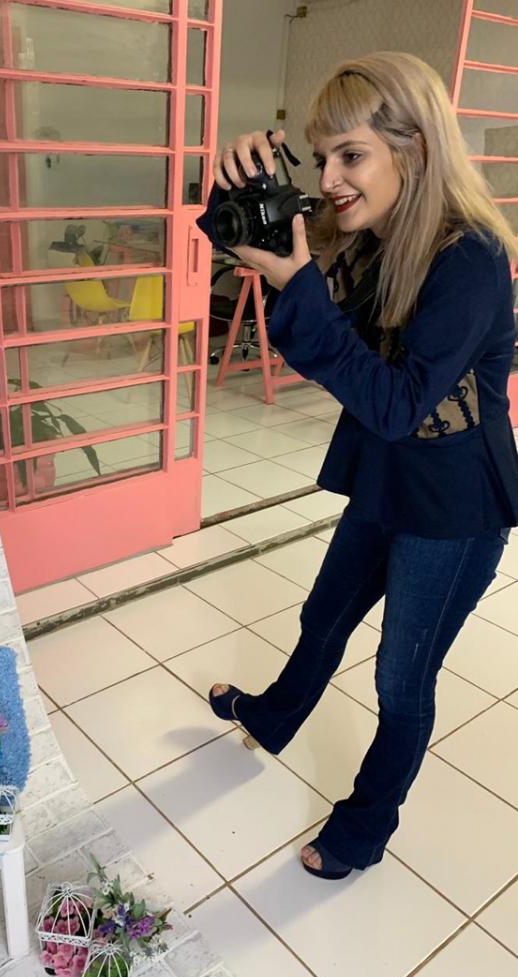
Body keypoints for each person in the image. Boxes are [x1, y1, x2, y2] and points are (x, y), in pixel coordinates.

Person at [200, 51, 518, 880]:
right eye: (321, 157)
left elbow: (395, 402)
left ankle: (365, 827)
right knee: (324, 615)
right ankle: (272, 718)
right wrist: (246, 191)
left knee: (400, 680)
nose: (331, 179)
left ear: (414, 148)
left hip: (454, 506)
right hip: (388, 478)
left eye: (351, 155)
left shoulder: (471, 259)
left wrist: (300, 282)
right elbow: (275, 269)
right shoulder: (378, 237)